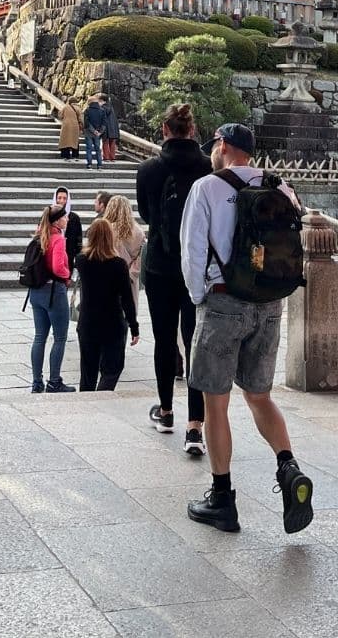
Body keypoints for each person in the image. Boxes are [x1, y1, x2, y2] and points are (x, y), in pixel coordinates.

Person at [180, 122, 313, 535]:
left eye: (214, 146)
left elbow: (193, 250)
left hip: (224, 301)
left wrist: (200, 296)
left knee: (216, 403)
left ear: (222, 145)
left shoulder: (206, 187)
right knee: (259, 396)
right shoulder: (281, 187)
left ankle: (222, 498)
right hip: (269, 303)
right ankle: (288, 468)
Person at [135, 102, 209, 455]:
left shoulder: (148, 170)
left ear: (164, 130)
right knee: (195, 341)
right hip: (197, 263)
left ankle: (166, 410)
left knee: (164, 339)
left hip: (161, 262)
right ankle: (195, 425)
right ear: (192, 130)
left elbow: (147, 214)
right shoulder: (208, 169)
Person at [74, 218, 139, 391]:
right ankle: (103, 396)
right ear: (111, 237)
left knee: (88, 371)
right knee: (112, 369)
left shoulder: (81, 261)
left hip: (88, 322)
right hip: (112, 322)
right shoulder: (119, 265)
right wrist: (134, 326)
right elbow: (127, 298)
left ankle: (87, 400)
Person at [27, 204, 75, 394]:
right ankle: (54, 381)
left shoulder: (39, 237)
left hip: (36, 291)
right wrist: (67, 275)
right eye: (65, 217)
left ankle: (36, 381)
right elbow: (57, 266)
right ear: (57, 221)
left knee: (40, 337)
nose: (67, 219)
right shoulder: (58, 239)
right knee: (60, 337)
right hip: (54, 291)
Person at [102, 194, 145, 313]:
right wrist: (131, 274)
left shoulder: (105, 229)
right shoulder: (138, 231)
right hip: (129, 280)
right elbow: (141, 257)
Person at [54, 186, 83, 271]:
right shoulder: (48, 216)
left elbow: (79, 240)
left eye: (64, 198)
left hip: (69, 257)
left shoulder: (74, 218)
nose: (62, 201)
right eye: (59, 198)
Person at [83, 95, 107, 168]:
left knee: (89, 149)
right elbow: (104, 123)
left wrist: (93, 131)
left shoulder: (87, 110)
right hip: (98, 133)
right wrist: (100, 132)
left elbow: (87, 122)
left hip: (89, 132)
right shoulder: (102, 110)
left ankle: (89, 164)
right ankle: (99, 165)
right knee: (98, 149)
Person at [100, 95, 120, 162]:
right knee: (112, 143)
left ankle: (106, 157)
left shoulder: (102, 108)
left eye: (100, 101)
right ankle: (113, 158)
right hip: (113, 128)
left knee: (105, 143)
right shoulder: (112, 108)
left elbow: (102, 119)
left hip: (105, 128)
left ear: (102, 101)